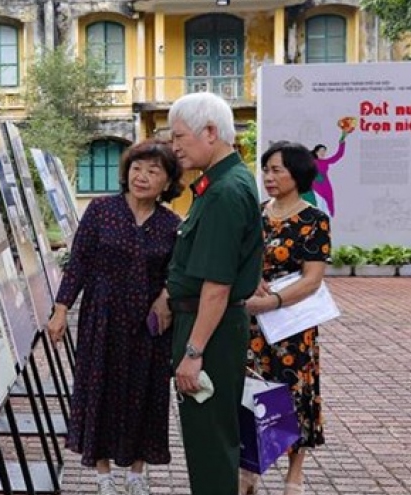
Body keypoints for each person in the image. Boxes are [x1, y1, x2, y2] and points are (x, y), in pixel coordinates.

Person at [46, 139, 183, 495]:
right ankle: (103, 476)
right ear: (126, 172)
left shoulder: (172, 224)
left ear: (167, 183)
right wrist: (61, 309)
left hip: (148, 324)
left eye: (154, 171)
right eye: (137, 168)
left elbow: (178, 273)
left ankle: (137, 474)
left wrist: (167, 297)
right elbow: (78, 264)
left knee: (146, 393)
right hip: (102, 318)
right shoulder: (101, 211)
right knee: (100, 391)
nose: (142, 176)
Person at [163, 92, 263, 495]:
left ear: (210, 132)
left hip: (209, 331)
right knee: (210, 436)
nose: (174, 146)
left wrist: (193, 351)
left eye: (180, 136)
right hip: (209, 326)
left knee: (210, 441)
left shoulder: (223, 192)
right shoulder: (220, 182)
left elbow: (217, 288)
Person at [239, 141, 330, 495]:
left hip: (291, 325)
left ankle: (295, 472)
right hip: (252, 323)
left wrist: (273, 300)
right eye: (266, 169)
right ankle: (252, 467)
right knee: (255, 391)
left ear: (298, 174)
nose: (269, 177)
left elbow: (312, 279)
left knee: (294, 392)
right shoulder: (257, 213)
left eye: (278, 170)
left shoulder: (313, 220)